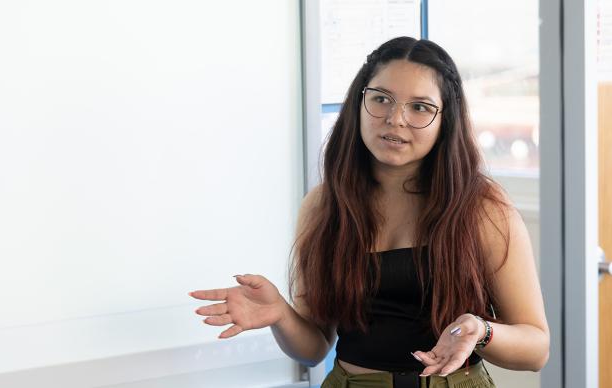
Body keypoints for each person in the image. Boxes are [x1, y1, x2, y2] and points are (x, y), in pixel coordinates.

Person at [189, 37, 549, 388]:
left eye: (420, 107)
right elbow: (313, 348)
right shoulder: (324, 206)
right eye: (381, 99)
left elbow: (536, 350)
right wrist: (281, 315)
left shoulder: (482, 207)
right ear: (359, 104)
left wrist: (481, 330)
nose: (395, 119)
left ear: (446, 119)